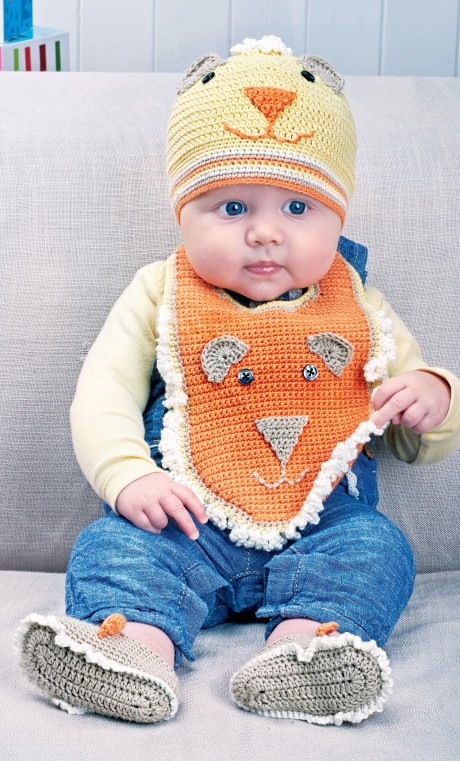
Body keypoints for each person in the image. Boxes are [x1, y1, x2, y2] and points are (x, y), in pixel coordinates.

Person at [18, 36, 460, 726]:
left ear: (338, 215)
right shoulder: (161, 291)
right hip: (186, 518)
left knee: (377, 549)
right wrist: (128, 476)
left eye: (297, 208)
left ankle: (307, 648)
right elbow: (102, 393)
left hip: (324, 524)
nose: (264, 233)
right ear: (183, 211)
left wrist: (432, 397)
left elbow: (408, 430)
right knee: (116, 546)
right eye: (231, 208)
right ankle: (134, 647)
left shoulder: (360, 307)